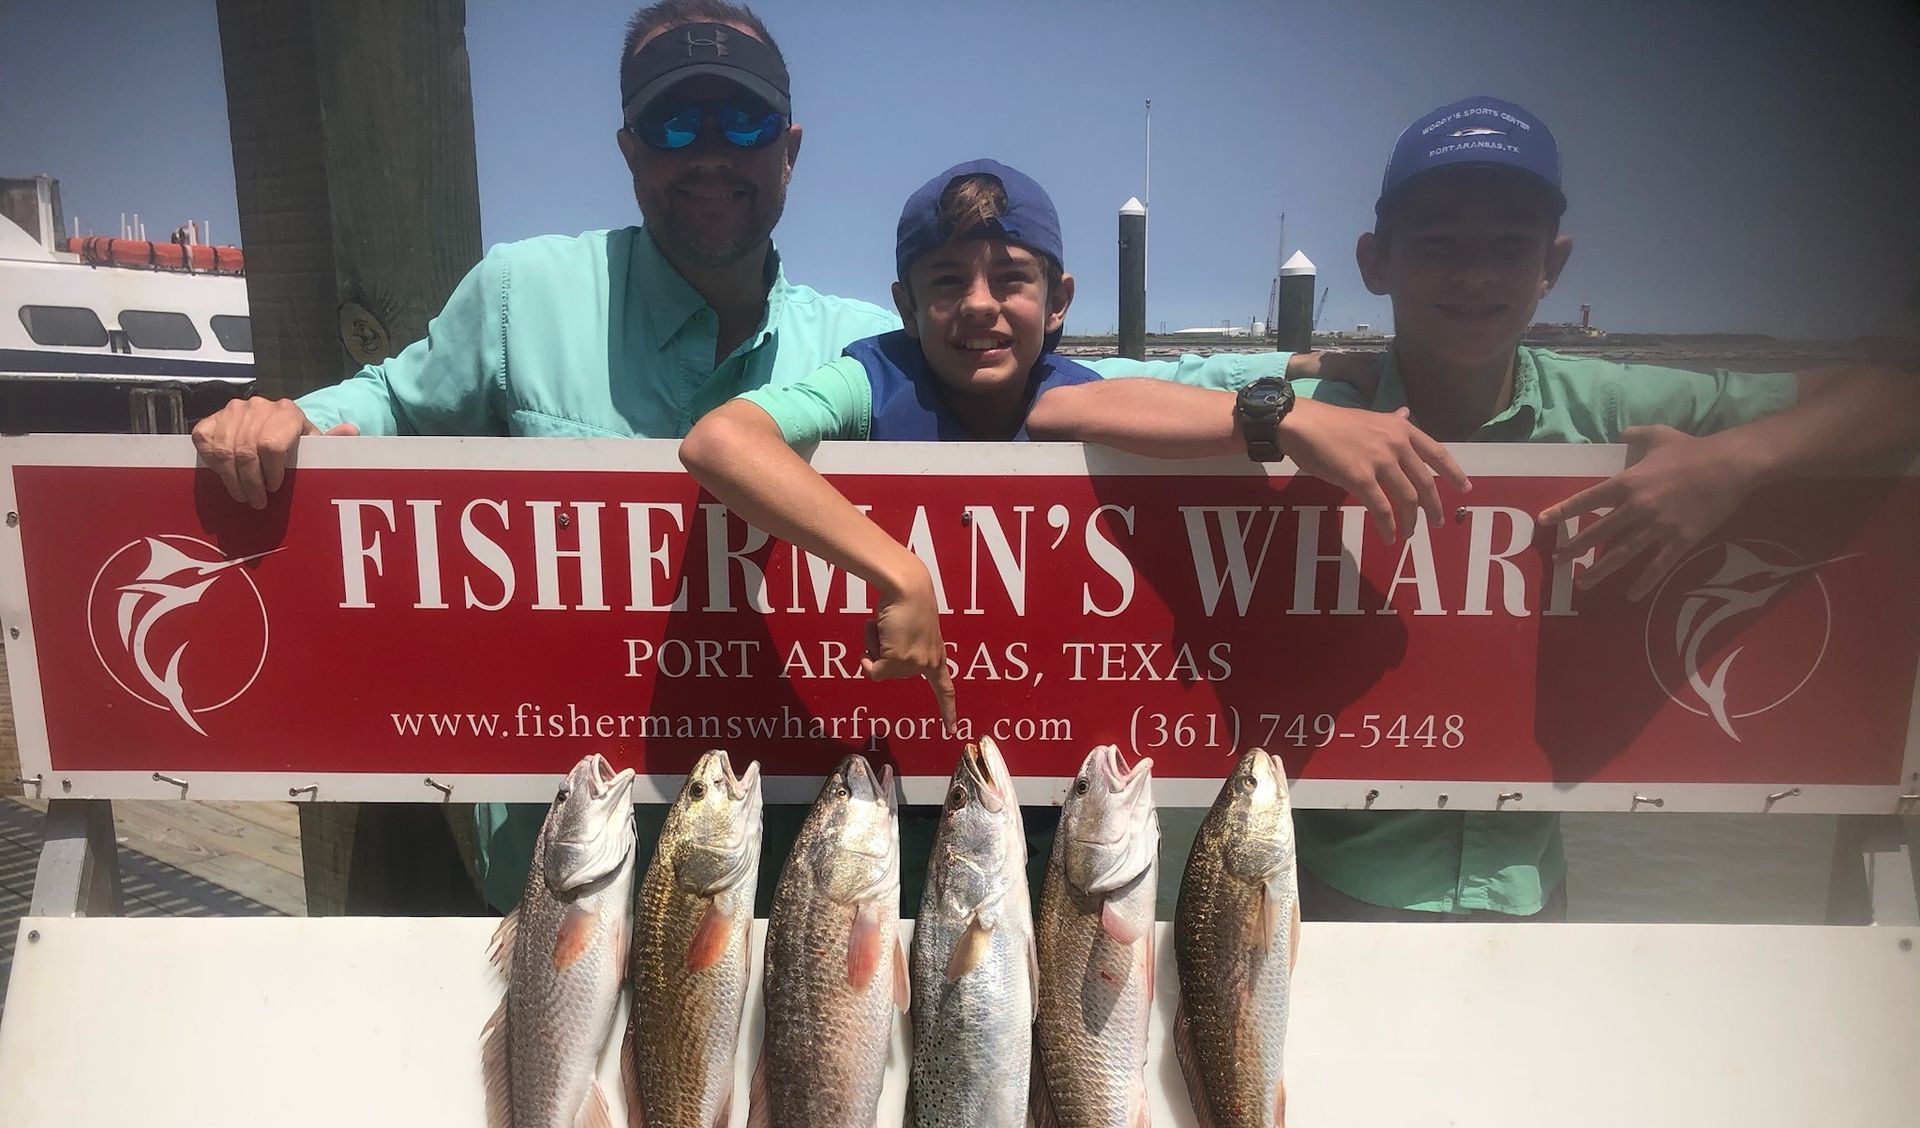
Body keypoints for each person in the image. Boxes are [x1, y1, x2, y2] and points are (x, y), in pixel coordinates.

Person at [188, 2, 1357, 916]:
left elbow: (1091, 393)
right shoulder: (521, 292)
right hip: (570, 848)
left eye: (740, 125)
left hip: (800, 861)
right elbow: (389, 403)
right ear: (628, 146)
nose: (709, 154)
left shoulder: (858, 341)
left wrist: (1308, 396)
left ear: (789, 150)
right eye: (673, 124)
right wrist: (292, 420)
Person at [681, 156, 1468, 906]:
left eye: (1011, 279)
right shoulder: (869, 377)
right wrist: (902, 572)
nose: (981, 303)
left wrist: (1296, 389)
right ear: (906, 303)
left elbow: (1180, 381)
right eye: (947, 282)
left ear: (1059, 302)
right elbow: (721, 442)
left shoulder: (1074, 392)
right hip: (888, 805)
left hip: (1065, 802)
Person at [1289, 95, 1920, 922]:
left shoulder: (1616, 403)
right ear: (1377, 261)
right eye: (1439, 243)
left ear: (1553, 262)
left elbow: (1894, 398)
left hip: (1531, 888)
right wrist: (1283, 409)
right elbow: (1080, 400)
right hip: (1318, 890)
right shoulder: (1316, 405)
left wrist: (1734, 464)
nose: (1475, 275)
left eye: (1509, 247)